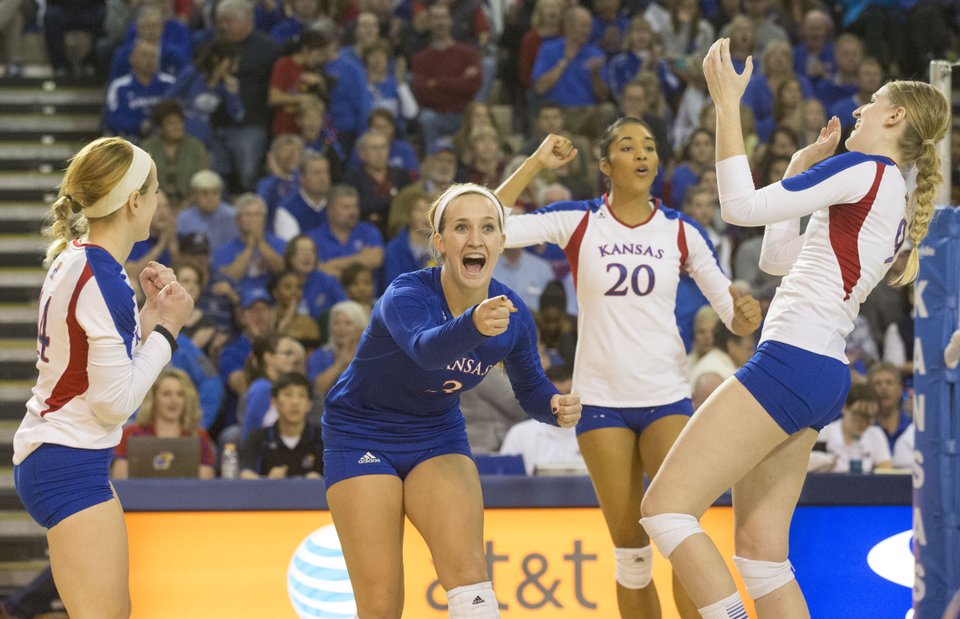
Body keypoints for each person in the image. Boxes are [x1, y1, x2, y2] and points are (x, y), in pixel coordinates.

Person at [639, 38, 949, 619]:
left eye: (871, 101)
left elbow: (736, 207)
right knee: (761, 557)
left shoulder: (865, 168)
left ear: (895, 116)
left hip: (792, 361)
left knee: (665, 509)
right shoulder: (890, 190)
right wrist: (795, 168)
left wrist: (727, 103)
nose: (857, 110)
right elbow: (777, 260)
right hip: (822, 372)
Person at [496, 125, 761, 619]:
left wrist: (746, 315)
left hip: (666, 398)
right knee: (632, 553)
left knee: (681, 535)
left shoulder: (681, 230)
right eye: (626, 147)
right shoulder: (578, 220)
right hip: (600, 403)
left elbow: (731, 309)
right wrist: (534, 162)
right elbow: (489, 224)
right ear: (605, 166)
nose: (641, 154)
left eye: (649, 147)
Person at [322, 183, 582, 618]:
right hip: (361, 433)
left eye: (487, 228)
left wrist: (555, 407)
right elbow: (427, 350)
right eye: (461, 227)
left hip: (435, 435)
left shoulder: (511, 312)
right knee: (382, 604)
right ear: (441, 243)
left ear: (502, 241)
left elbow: (531, 391)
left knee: (470, 579)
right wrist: (473, 325)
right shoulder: (406, 294)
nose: (475, 238)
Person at [12, 137, 193, 617]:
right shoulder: (103, 277)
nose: (158, 204)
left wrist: (150, 321)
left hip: (60, 455)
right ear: (135, 201)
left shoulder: (76, 256)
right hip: (68, 460)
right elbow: (115, 403)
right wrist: (169, 331)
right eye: (154, 193)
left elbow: (95, 372)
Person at [111, 368, 217, 479]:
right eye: (166, 394)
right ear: (153, 399)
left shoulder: (198, 436)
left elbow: (205, 484)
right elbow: (120, 480)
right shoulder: (131, 434)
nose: (174, 401)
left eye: (180, 394)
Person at [239, 372, 324, 478]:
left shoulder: (323, 439)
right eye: (288, 394)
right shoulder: (258, 438)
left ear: (309, 404)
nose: (295, 402)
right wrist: (268, 481)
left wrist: (319, 482)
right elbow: (245, 473)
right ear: (274, 402)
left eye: (302, 396)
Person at [812, 383, 892, 473]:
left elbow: (885, 471)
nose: (863, 422)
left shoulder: (875, 434)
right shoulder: (823, 433)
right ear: (845, 408)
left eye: (869, 417)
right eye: (857, 414)